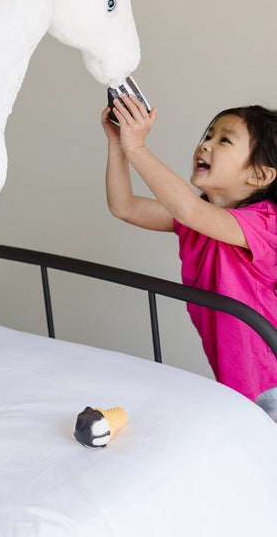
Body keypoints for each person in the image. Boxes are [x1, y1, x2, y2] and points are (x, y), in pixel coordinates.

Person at [101, 94, 277, 421]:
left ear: (259, 176)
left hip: (271, 379)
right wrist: (118, 144)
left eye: (224, 139)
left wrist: (138, 147)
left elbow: (188, 208)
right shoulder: (195, 221)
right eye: (208, 135)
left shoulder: (265, 224)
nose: (206, 144)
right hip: (237, 382)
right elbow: (124, 206)